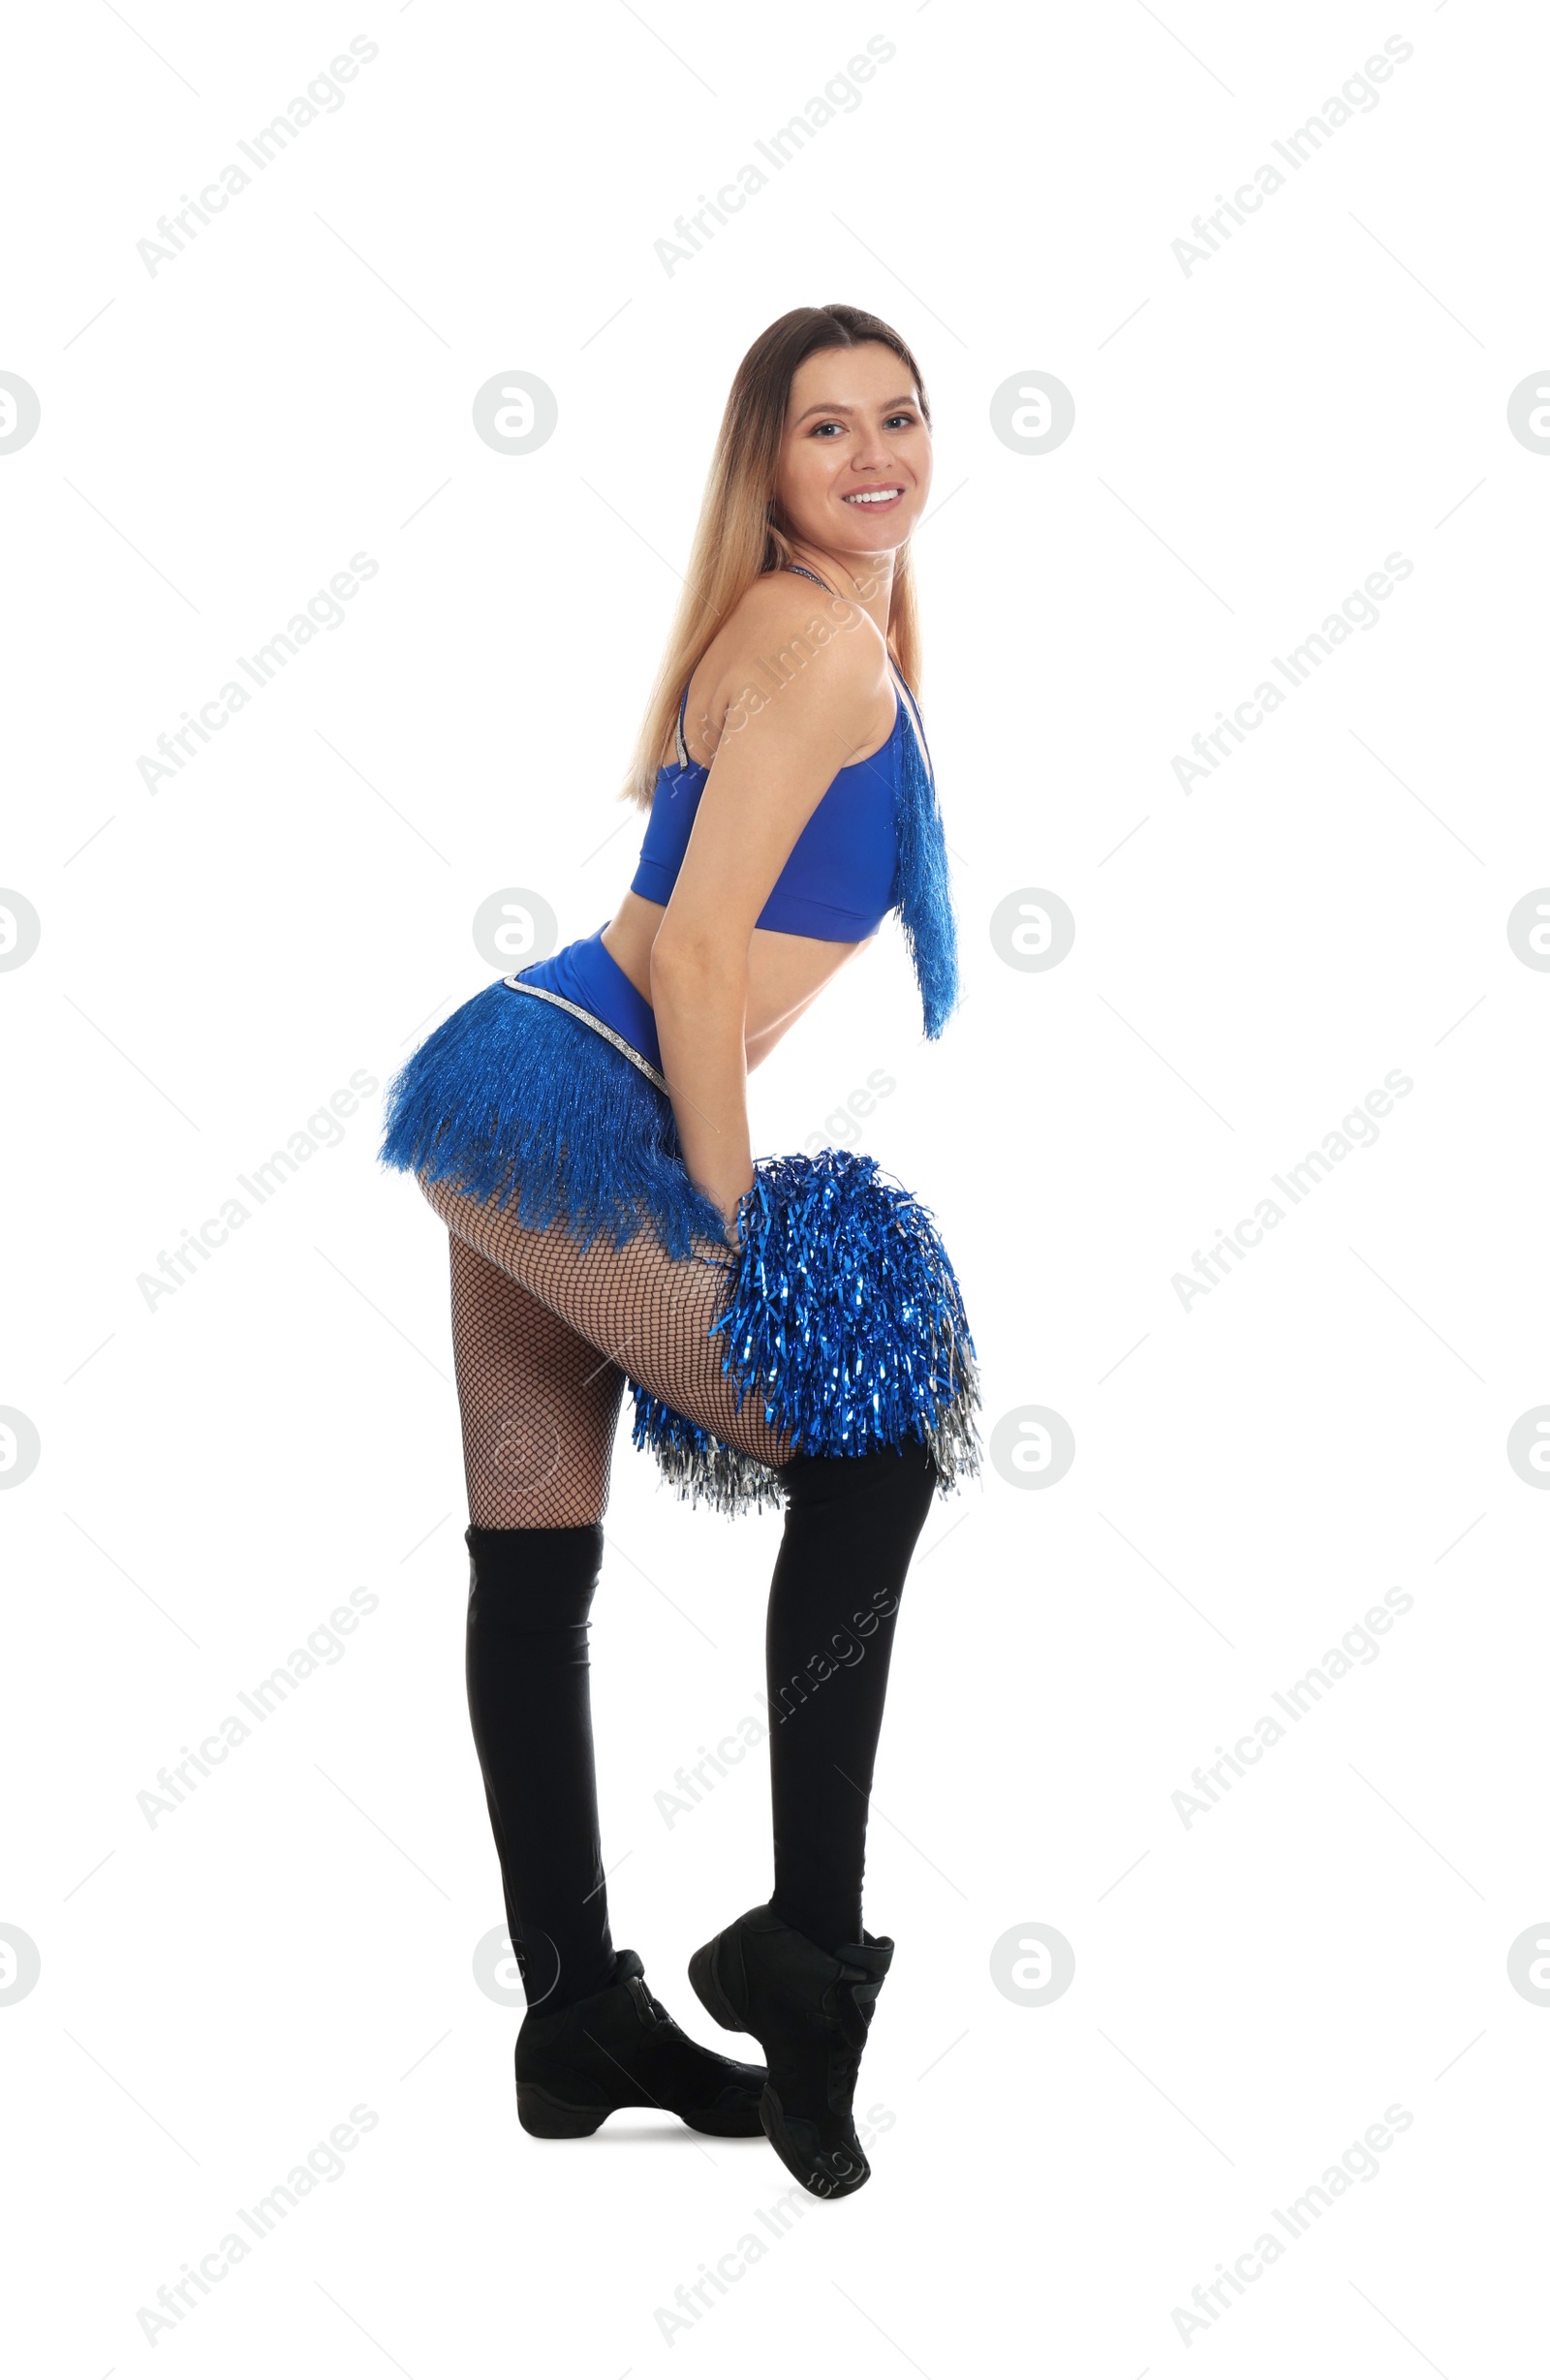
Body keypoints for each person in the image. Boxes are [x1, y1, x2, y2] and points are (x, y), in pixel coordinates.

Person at [379, 302, 980, 2199]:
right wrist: (727, 1219)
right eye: (825, 428)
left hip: (514, 1078)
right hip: (578, 1104)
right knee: (868, 1454)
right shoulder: (824, 650)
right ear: (766, 465)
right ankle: (805, 1960)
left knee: (532, 1548)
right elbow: (706, 953)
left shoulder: (796, 628)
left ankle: (574, 2017)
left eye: (899, 415)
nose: (873, 451)